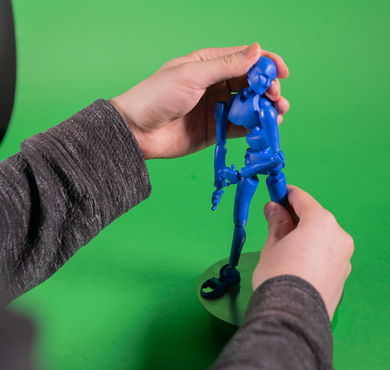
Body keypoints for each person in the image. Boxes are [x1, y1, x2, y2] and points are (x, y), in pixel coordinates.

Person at [0, 43, 354, 369]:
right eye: (258, 72)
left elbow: (274, 153)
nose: (261, 78)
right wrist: (296, 308)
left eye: (266, 75)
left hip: (263, 165)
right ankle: (233, 270)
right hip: (242, 167)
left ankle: (295, 255)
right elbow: (219, 142)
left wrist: (129, 129)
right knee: (240, 221)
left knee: (284, 213)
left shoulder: (261, 107)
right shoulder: (236, 105)